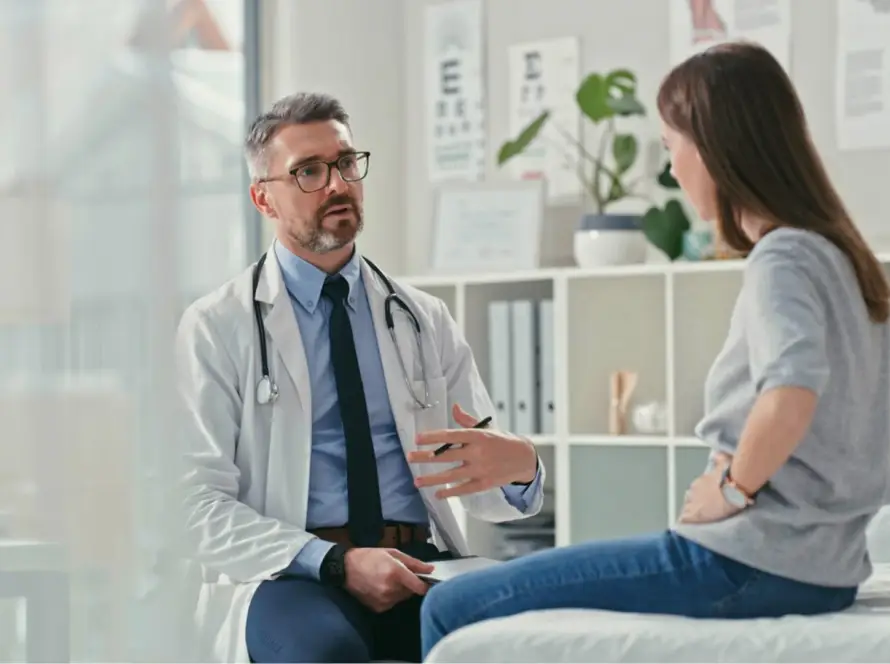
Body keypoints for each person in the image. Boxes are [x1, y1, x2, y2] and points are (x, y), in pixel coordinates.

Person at [419, 40, 890, 659]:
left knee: (451, 604)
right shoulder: (842, 261)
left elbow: (790, 393)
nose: (671, 172)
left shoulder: (785, 257)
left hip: (750, 561)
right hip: (825, 569)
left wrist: (732, 489)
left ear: (715, 148)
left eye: (672, 148)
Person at [173, 92, 545, 663]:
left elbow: (485, 492)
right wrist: (334, 563)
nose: (337, 184)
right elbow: (195, 505)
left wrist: (522, 470)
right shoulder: (217, 326)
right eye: (309, 172)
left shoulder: (422, 318)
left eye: (346, 163)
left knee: (525, 640)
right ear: (262, 198)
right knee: (327, 654)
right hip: (291, 573)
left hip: (422, 561)